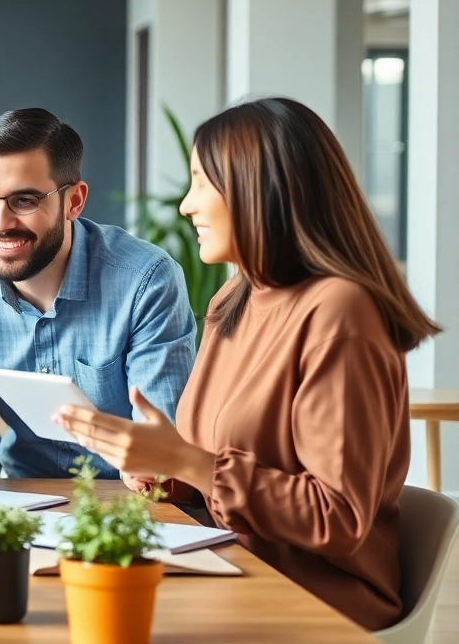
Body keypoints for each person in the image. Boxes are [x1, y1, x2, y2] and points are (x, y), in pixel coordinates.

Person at [54, 97, 437, 631]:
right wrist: (163, 468)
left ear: (260, 191)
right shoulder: (233, 300)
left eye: (200, 183)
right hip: (231, 567)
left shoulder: (340, 312)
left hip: (315, 606)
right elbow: (215, 470)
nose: (186, 206)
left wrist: (190, 463)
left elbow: (339, 517)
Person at [0, 108, 196, 492]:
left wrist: (151, 465)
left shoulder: (145, 280)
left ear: (74, 201)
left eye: (25, 200)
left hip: (127, 501)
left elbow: (163, 435)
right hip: (24, 499)